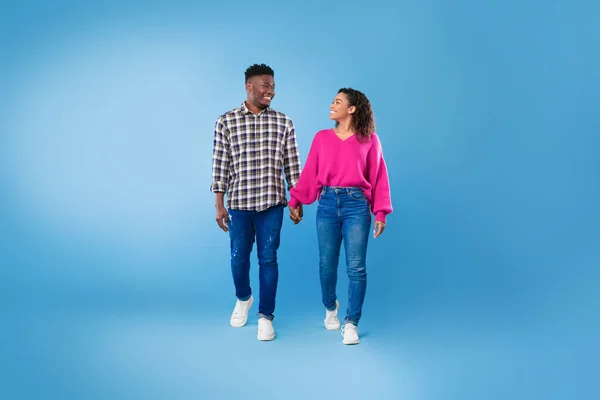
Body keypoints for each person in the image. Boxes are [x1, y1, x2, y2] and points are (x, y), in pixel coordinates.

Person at [288, 88, 392, 345]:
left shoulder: (370, 140)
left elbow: (379, 177)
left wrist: (380, 212)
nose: (332, 104)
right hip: (327, 204)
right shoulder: (322, 138)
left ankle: (351, 323)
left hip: (357, 205)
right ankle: (330, 307)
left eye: (338, 101)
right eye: (332, 100)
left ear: (352, 108)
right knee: (327, 265)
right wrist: (296, 199)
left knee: (356, 267)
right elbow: (310, 171)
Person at [210, 63, 303, 341]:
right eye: (265, 85)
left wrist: (296, 201)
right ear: (249, 86)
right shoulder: (226, 121)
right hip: (239, 203)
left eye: (273, 86)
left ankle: (266, 316)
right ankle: (243, 298)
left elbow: (293, 166)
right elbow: (220, 165)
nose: (271, 91)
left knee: (268, 258)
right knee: (238, 258)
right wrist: (219, 203)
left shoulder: (284, 122)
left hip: (272, 204)